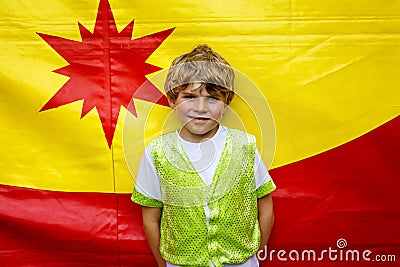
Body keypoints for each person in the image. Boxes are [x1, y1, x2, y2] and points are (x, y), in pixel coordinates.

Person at [131, 44, 276, 267]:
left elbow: (265, 207)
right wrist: (163, 264)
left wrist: (254, 254)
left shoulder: (244, 146)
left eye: (212, 98)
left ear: (227, 104)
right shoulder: (157, 153)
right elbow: (150, 217)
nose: (200, 107)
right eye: (189, 96)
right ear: (172, 100)